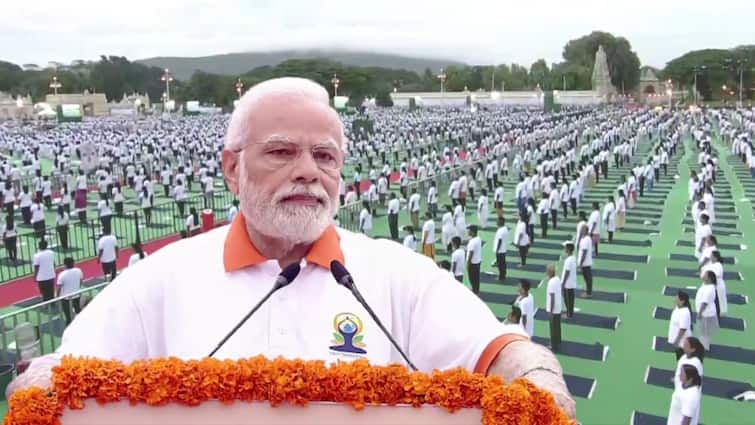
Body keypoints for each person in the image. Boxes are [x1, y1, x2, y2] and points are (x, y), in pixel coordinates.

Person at [6, 78, 575, 418]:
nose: (308, 172)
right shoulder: (159, 278)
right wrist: (43, 382)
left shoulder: (395, 273)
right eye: (281, 152)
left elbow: (499, 352)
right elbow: (69, 370)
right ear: (232, 168)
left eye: (325, 157)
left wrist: (537, 378)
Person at [695, 270, 719, 350]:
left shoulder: (710, 288)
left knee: (704, 332)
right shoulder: (706, 285)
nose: (703, 275)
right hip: (705, 313)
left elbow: (705, 302)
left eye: (705, 275)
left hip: (706, 313)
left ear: (709, 278)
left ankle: (704, 347)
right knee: (703, 332)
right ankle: (703, 346)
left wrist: (700, 313)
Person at [57, 257, 83, 325]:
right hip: (76, 294)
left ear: (65, 265)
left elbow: (59, 287)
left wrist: (57, 296)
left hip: (66, 297)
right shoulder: (78, 270)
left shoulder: (62, 275)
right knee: (78, 310)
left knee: (68, 315)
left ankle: (69, 328)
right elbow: (80, 281)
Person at [669, 292, 694, 360]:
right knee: (679, 357)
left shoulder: (684, 312)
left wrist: (676, 341)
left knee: (682, 358)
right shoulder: (678, 308)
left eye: (677, 298)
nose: (675, 300)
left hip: (682, 342)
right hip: (680, 342)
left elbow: (683, 329)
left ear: (682, 301)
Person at [545, 265, 562, 352]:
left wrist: (551, 311)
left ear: (550, 272)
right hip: (558, 307)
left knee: (553, 328)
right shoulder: (557, 279)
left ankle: (553, 345)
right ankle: (558, 341)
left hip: (553, 309)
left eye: (547, 271)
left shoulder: (551, 283)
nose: (546, 272)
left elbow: (552, 297)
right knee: (557, 327)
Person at [561, 241, 577, 319]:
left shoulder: (568, 260)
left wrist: (563, 283)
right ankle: (569, 312)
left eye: (565, 247)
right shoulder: (573, 258)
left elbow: (567, 272)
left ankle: (569, 314)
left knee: (568, 300)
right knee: (570, 299)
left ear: (567, 249)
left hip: (568, 284)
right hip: (571, 282)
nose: (564, 249)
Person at [466, 225, 482, 295]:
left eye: (469, 230)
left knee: (472, 279)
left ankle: (475, 292)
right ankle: (476, 290)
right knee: (476, 278)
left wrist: (468, 264)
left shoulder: (472, 242)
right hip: (477, 261)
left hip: (473, 263)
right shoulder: (478, 238)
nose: (468, 232)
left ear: (472, 232)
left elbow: (470, 254)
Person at [492, 217, 508, 281]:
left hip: (500, 250)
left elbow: (500, 241)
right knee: (502, 264)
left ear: (501, 222)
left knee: (500, 264)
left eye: (497, 221)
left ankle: (501, 277)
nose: (496, 222)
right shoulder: (504, 229)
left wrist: (497, 250)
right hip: (503, 249)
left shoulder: (501, 230)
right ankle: (503, 275)